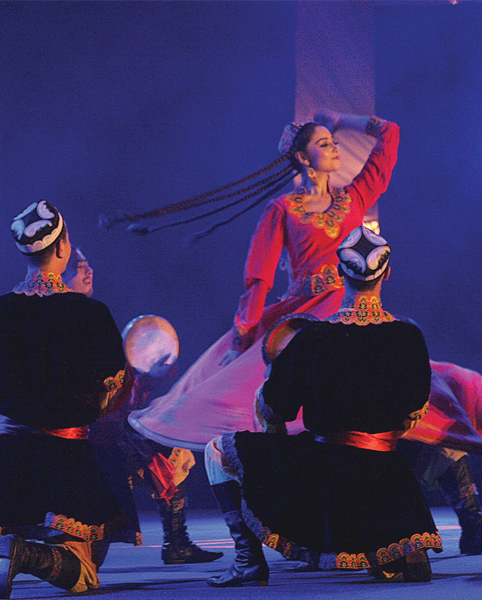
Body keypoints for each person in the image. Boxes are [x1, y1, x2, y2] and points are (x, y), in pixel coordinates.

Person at [128, 110, 400, 449]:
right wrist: (240, 342)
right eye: (324, 144)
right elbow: (259, 279)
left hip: (350, 311)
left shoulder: (354, 197)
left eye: (334, 143)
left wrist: (339, 119)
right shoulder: (282, 209)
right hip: (305, 318)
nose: (336, 148)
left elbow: (389, 133)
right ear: (302, 157)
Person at [204, 226, 442, 586]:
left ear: (339, 273)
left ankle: (247, 560)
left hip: (327, 467)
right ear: (387, 273)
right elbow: (413, 413)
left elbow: (274, 410)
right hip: (389, 466)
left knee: (215, 452)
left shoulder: (313, 338)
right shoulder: (408, 336)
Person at [0, 200, 130, 599]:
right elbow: (111, 391)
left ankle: (12, 549)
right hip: (64, 457)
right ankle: (24, 555)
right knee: (85, 574)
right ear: (61, 248)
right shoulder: (89, 313)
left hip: (6, 459)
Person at [68, 247, 221, 565]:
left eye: (88, 263)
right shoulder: (67, 318)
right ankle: (176, 543)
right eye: (78, 265)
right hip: (84, 429)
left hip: (106, 422)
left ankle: (176, 542)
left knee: (170, 450)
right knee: (156, 450)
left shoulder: (90, 313)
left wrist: (148, 374)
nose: (88, 270)